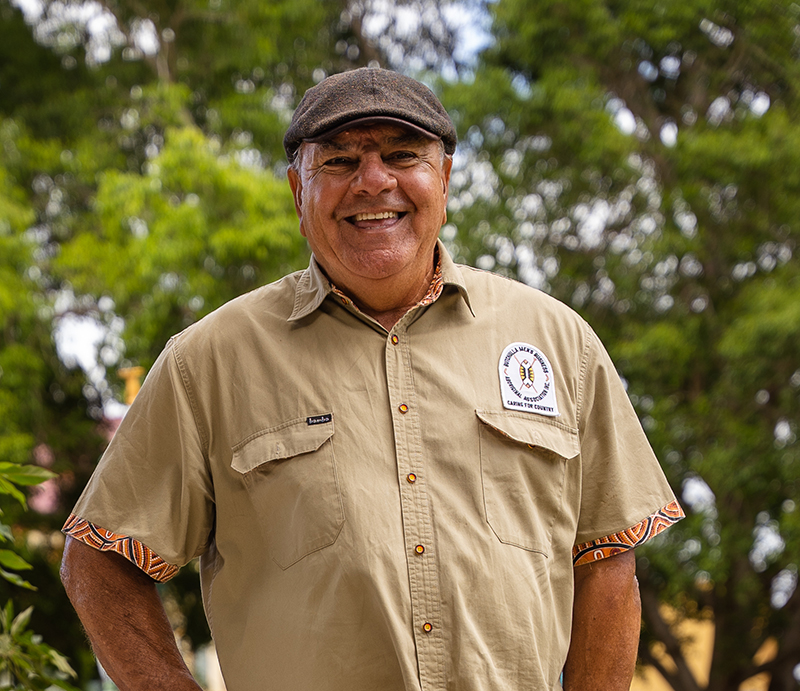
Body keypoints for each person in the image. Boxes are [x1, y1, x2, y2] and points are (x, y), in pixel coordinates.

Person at [60, 67, 684, 691]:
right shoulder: (209, 362)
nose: (373, 181)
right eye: (337, 161)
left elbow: (605, 559)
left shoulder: (558, 341)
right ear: (296, 191)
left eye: (402, 154)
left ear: (444, 179)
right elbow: (99, 562)